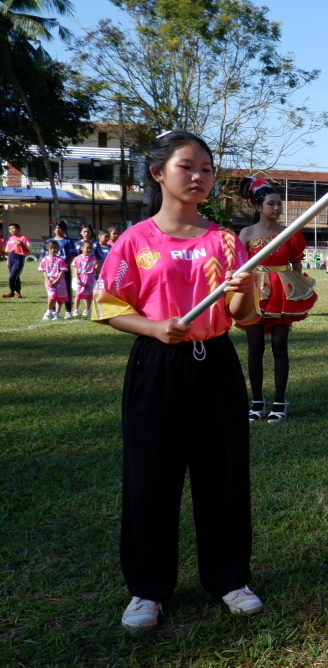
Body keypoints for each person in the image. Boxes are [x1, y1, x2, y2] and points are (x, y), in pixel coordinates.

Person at [90, 131, 263, 633]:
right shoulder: (135, 240)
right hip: (157, 365)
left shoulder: (225, 241)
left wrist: (245, 287)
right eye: (187, 166)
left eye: (206, 169)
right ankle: (148, 590)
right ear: (158, 173)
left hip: (217, 364)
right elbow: (108, 305)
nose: (198, 176)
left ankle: (230, 579)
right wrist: (154, 328)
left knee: (223, 474)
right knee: (151, 477)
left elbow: (242, 315)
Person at [237, 177, 318, 424]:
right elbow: (239, 267)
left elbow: (296, 266)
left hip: (282, 295)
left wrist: (298, 291)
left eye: (279, 204)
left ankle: (280, 401)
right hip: (254, 294)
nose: (276, 208)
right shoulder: (246, 233)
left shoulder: (289, 233)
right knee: (254, 348)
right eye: (271, 204)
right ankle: (257, 402)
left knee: (279, 346)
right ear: (258, 207)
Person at [48, 221, 78, 316]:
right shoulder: (49, 241)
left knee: (66, 289)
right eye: (56, 228)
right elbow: (44, 255)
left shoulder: (68, 241)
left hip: (64, 269)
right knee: (52, 289)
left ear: (64, 230)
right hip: (52, 269)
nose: (58, 230)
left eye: (60, 228)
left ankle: (68, 310)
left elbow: (72, 254)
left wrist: (67, 265)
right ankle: (52, 309)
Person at [38, 240, 68, 320]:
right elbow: (44, 271)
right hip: (50, 281)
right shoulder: (44, 260)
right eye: (52, 248)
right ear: (48, 248)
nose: (54, 249)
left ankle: (57, 314)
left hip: (60, 281)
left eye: (56, 248)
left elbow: (62, 270)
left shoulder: (60, 260)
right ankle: (49, 311)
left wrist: (58, 279)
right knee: (52, 296)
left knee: (60, 297)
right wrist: (47, 280)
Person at [72, 239, 99, 319]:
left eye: (90, 248)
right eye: (87, 248)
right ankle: (76, 309)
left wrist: (96, 266)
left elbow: (96, 268)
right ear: (81, 248)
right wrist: (77, 278)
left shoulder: (93, 258)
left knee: (89, 294)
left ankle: (87, 309)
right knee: (78, 294)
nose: (89, 250)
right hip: (81, 277)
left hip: (90, 277)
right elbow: (75, 269)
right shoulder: (77, 258)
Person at [4, 222, 31, 298]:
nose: (11, 230)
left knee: (13, 276)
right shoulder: (11, 238)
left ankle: (13, 291)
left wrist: (21, 244)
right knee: (15, 276)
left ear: (19, 229)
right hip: (11, 257)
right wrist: (8, 261)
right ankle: (15, 292)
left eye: (13, 228)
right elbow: (9, 250)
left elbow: (28, 249)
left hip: (19, 257)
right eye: (10, 229)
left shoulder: (23, 238)